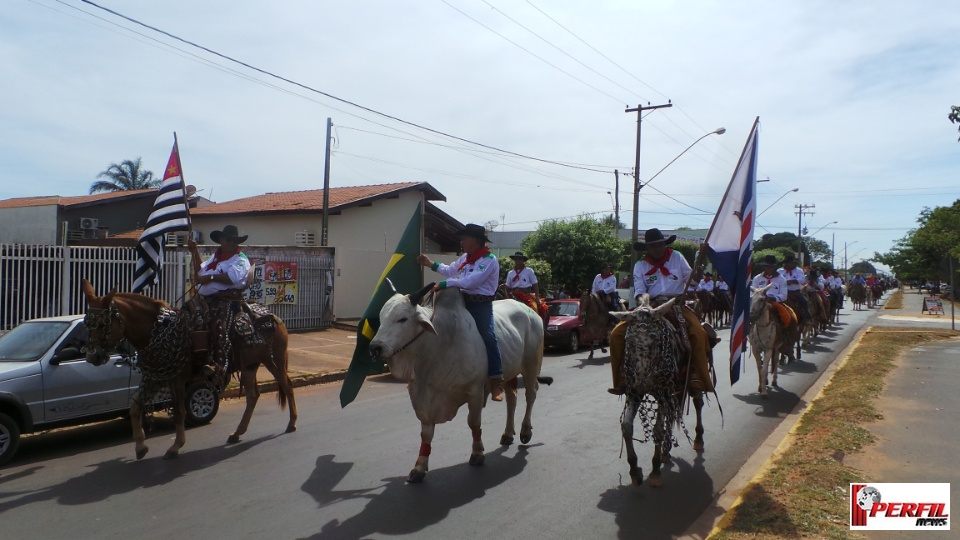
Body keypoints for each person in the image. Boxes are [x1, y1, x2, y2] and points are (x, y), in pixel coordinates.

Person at [608, 228, 714, 396]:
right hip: (650, 305)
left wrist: (698, 273)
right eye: (652, 246)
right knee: (616, 334)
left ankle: (698, 378)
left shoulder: (677, 257)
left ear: (664, 245)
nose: (657, 249)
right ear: (647, 249)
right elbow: (640, 290)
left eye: (659, 245)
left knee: (698, 333)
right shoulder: (640, 266)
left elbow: (691, 281)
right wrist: (646, 306)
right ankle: (621, 380)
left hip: (676, 303)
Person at [417, 224, 505, 402]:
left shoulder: (489, 260)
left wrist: (445, 284)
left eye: (464, 238)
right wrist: (429, 264)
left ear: (475, 240)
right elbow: (450, 270)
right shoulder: (466, 258)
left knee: (488, 336)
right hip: (461, 301)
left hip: (481, 306)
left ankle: (496, 380)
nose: (461, 241)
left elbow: (472, 282)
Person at [188, 224, 253, 376]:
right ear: (221, 240)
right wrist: (194, 251)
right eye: (228, 239)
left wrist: (209, 277)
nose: (231, 242)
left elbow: (232, 278)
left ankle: (219, 364)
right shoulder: (216, 257)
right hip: (205, 299)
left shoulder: (240, 259)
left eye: (234, 240)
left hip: (226, 301)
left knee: (219, 327)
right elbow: (201, 270)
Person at [778, 254, 810, 322]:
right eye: (789, 263)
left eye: (792, 263)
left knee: (804, 301)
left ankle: (806, 317)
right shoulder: (779, 271)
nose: (791, 264)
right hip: (782, 292)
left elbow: (802, 280)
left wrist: (792, 281)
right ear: (786, 263)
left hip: (795, 292)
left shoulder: (799, 270)